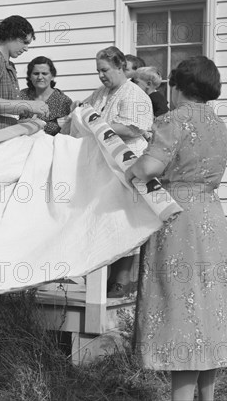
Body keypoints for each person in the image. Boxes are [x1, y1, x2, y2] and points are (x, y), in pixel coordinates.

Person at [125, 56, 227, 400]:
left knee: (182, 309)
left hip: (179, 217)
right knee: (209, 308)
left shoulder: (173, 120)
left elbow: (149, 167)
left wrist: (129, 167)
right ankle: (206, 398)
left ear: (179, 87)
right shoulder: (218, 125)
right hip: (211, 215)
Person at [75, 46, 154, 298]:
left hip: (128, 163)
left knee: (124, 219)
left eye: (105, 70)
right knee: (104, 220)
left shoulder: (135, 94)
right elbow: (85, 112)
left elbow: (133, 128)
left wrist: (99, 124)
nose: (101, 75)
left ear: (120, 67)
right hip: (104, 165)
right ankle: (101, 278)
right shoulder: (101, 93)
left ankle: (121, 280)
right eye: (98, 71)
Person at [0, 15, 49, 137]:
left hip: (3, 134)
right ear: (11, 36)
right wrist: (29, 105)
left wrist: (20, 123)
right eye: (25, 42)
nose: (26, 48)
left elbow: (3, 112)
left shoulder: (7, 64)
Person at [19, 56, 72, 136]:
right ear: (30, 77)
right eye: (36, 73)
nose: (40, 77)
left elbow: (69, 130)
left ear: (52, 76)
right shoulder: (21, 96)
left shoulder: (63, 101)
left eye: (44, 73)